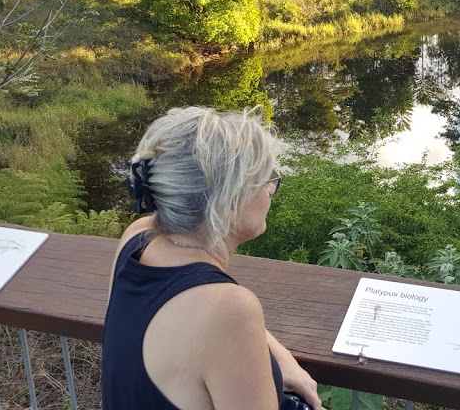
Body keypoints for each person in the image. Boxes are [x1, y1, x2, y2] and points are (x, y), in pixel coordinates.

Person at [102, 106, 322, 410]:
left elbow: (208, 322)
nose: (271, 190)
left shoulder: (138, 237)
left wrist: (281, 358)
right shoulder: (228, 307)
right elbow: (223, 316)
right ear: (230, 200)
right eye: (266, 179)